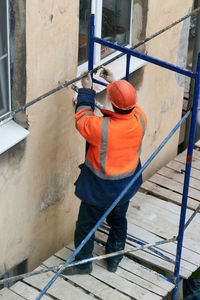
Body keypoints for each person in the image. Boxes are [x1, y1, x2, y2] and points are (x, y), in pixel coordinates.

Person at [63, 68, 147, 275]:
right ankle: (114, 259)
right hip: (126, 186)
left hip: (100, 191)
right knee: (118, 221)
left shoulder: (103, 129)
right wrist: (114, 84)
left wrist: (85, 91)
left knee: (86, 226)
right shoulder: (140, 118)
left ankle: (83, 265)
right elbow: (128, 104)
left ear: (114, 103)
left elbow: (82, 118)